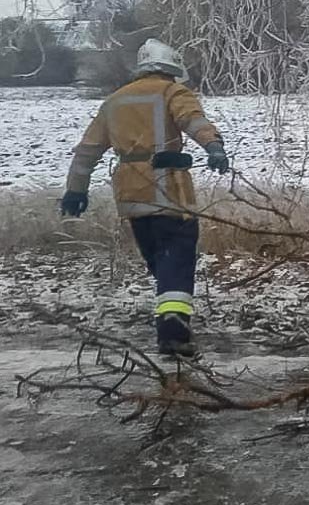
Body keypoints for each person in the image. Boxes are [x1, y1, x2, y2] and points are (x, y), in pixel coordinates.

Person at [61, 39, 229, 358]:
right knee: (177, 258)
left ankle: (171, 314)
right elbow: (192, 120)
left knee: (159, 259)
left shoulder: (114, 101)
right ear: (172, 67)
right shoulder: (172, 92)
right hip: (169, 191)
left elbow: (87, 151)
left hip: (130, 194)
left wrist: (76, 189)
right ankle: (174, 335)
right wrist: (213, 146)